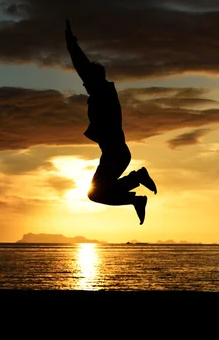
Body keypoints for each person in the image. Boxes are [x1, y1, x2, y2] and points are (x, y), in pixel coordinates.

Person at [65, 20, 157, 225]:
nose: (84, 84)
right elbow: (85, 70)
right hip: (114, 154)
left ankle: (137, 186)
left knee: (95, 194)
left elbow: (83, 67)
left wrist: (72, 47)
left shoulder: (103, 92)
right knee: (97, 193)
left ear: (95, 80)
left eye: (88, 81)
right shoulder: (104, 92)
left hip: (116, 154)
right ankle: (137, 190)